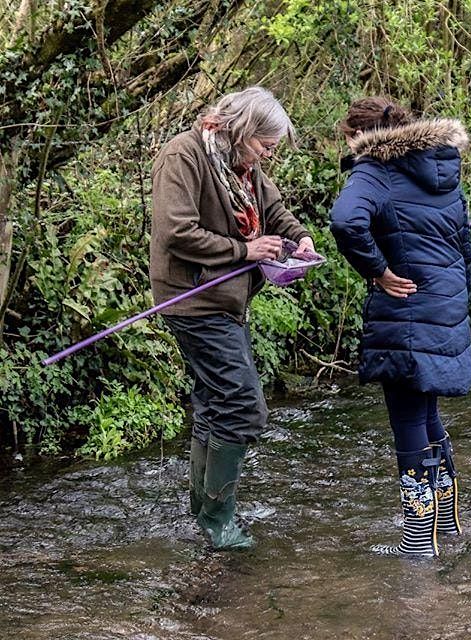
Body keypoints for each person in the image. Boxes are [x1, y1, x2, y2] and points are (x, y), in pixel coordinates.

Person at [150, 87, 315, 550]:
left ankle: (203, 511)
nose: (268, 154)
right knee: (243, 406)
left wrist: (299, 238)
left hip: (227, 300)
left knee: (215, 401)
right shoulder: (183, 156)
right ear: (241, 130)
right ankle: (218, 522)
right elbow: (176, 231)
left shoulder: (243, 165)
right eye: (265, 144)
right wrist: (245, 250)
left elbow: (274, 210)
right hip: (191, 299)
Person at [329, 97, 471, 557]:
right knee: (427, 414)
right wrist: (455, 297)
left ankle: (417, 543)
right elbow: (464, 241)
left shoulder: (374, 170)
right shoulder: (439, 165)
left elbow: (345, 221)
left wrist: (377, 271)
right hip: (446, 305)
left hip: (406, 308)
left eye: (347, 138)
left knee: (408, 421)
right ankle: (446, 524)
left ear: (360, 135)